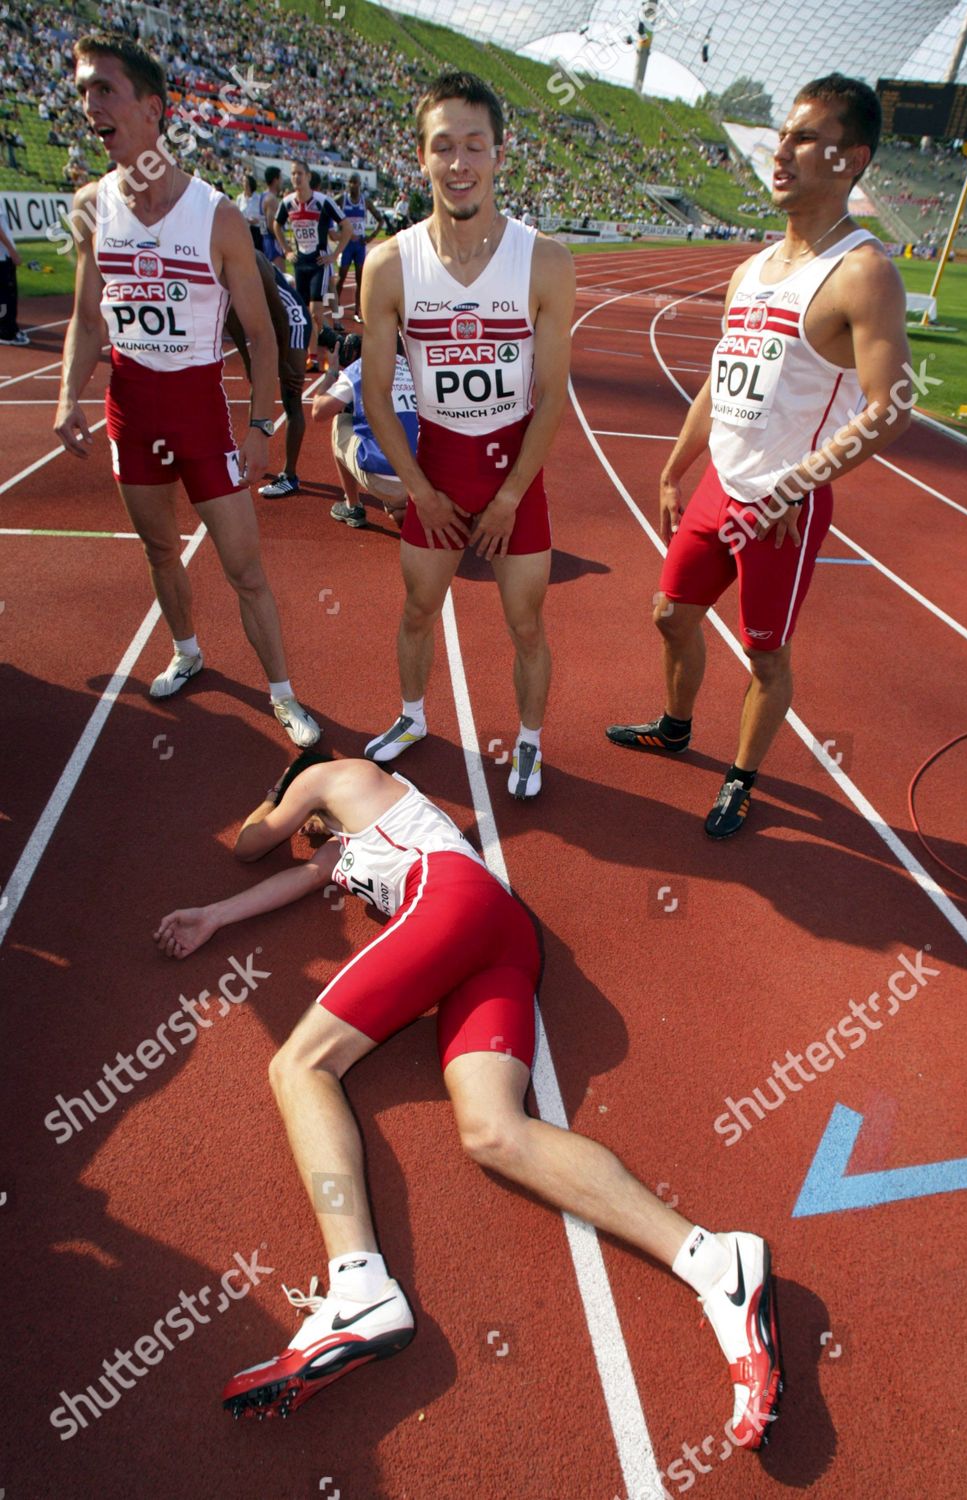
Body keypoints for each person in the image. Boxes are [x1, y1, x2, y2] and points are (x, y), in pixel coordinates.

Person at [155, 752, 783, 1443]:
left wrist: (273, 798)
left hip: (447, 900)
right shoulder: (348, 843)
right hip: (497, 936)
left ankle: (358, 1285)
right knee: (493, 1133)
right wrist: (214, 916)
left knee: (298, 1067)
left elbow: (253, 844)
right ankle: (715, 1261)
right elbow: (297, 877)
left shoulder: (331, 772)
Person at [608, 73, 913, 838]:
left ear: (851, 159)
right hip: (718, 486)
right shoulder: (750, 270)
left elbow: (893, 405)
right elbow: (721, 379)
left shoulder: (861, 271)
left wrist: (793, 487)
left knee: (764, 655)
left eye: (806, 137)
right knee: (670, 614)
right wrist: (675, 464)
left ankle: (740, 779)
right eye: (782, 134)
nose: (781, 151)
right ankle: (675, 728)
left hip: (783, 504)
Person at [54, 32, 319, 748]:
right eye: (82, 91)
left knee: (244, 569)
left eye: (102, 90)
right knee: (159, 550)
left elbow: (262, 336)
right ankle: (187, 650)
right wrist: (66, 398)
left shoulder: (217, 217)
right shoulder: (91, 206)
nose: (88, 107)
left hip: (201, 416)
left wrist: (262, 429)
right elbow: (85, 316)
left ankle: (284, 694)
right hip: (129, 412)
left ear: (153, 107)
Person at [361, 72, 576, 800]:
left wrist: (513, 494)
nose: (459, 163)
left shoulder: (543, 260)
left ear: (499, 155)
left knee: (525, 623)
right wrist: (419, 490)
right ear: (421, 158)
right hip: (438, 469)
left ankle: (527, 742)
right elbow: (375, 395)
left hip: (515, 473)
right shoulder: (389, 264)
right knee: (418, 609)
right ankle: (414, 716)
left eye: (473, 146)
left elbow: (551, 395)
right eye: (442, 146)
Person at [224, 249, 309, 501]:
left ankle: (290, 476)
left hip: (289, 317)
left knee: (291, 396)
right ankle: (254, 454)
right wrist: (249, 362)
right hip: (263, 320)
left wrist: (281, 363)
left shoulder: (252, 260)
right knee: (257, 387)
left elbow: (280, 316)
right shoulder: (213, 260)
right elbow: (231, 319)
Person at [312, 331, 418, 529]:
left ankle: (353, 505)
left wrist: (332, 372)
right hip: (422, 477)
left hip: (384, 477)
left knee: (341, 420)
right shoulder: (417, 367)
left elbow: (318, 412)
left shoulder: (360, 368)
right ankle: (401, 504)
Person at [274, 160, 352, 373]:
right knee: (302, 312)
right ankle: (314, 354)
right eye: (292, 174)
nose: (296, 178)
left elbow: (347, 226)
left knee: (314, 312)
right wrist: (287, 250)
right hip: (301, 265)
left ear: (308, 176)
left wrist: (335, 254)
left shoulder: (323, 202)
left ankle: (322, 352)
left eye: (300, 173)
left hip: (319, 264)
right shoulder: (287, 202)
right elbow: (276, 224)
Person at [334, 172, 384, 323]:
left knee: (360, 279)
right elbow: (326, 209)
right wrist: (337, 231)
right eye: (350, 182)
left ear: (360, 184)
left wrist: (371, 237)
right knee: (341, 277)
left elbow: (380, 220)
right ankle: (336, 309)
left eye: (355, 182)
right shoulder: (342, 199)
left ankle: (357, 310)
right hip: (347, 245)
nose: (352, 185)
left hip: (359, 246)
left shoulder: (365, 201)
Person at [0, 205, 29, 346]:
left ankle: (7, 329)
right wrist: (12, 251)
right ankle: (6, 332)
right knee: (6, 296)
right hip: (2, 256)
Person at [260, 165, 284, 266]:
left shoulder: (263, 195)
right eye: (281, 178)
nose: (282, 181)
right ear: (275, 180)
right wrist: (284, 244)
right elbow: (271, 226)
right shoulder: (271, 199)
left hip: (266, 240)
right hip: (272, 242)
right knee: (280, 277)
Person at [236, 171, 266, 251]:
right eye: (243, 181)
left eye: (245, 181)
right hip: (244, 230)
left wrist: (257, 222)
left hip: (257, 232)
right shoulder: (239, 198)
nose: (243, 183)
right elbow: (237, 215)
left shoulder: (259, 198)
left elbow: (264, 217)